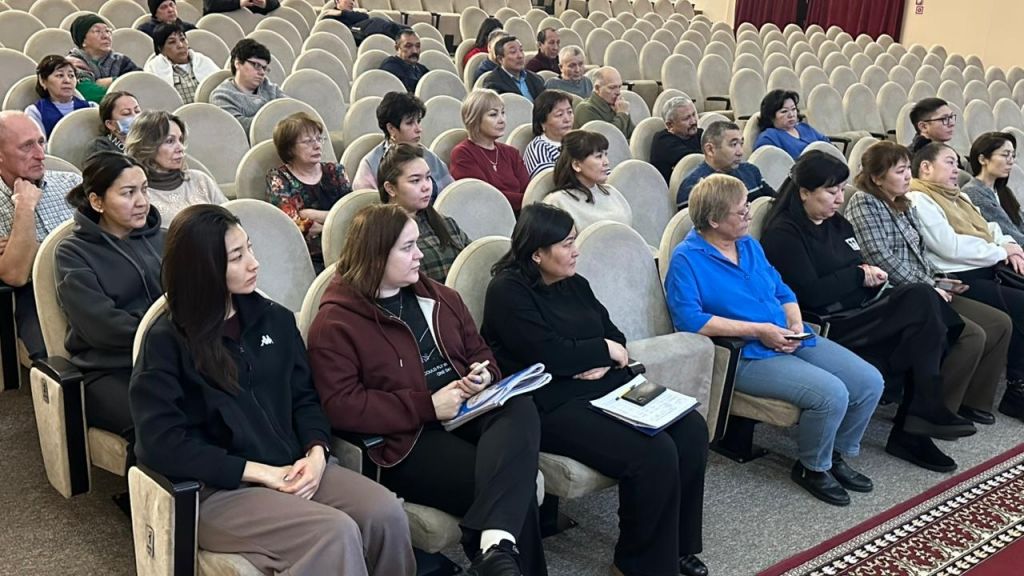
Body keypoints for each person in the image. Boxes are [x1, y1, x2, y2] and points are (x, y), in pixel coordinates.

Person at [130, 204, 415, 576]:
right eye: (237, 257)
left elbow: (306, 398)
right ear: (202, 267)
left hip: (292, 466)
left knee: (385, 513)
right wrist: (259, 472)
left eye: (249, 248)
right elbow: (160, 443)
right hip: (218, 489)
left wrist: (316, 452)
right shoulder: (166, 342)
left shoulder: (275, 319)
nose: (254, 263)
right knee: (334, 533)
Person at [307, 203, 547, 576]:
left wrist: (483, 374)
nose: (420, 254)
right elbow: (341, 406)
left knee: (519, 406)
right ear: (376, 254)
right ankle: (497, 551)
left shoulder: (440, 297)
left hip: (467, 408)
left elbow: (480, 352)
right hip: (407, 438)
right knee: (511, 483)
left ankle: (494, 548)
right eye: (408, 247)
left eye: (417, 243)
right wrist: (428, 406)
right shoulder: (335, 323)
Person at [482, 203, 709, 576]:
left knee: (691, 430)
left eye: (574, 241)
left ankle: (677, 547)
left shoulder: (575, 283)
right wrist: (602, 350)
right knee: (653, 452)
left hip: (605, 384)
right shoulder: (507, 291)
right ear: (537, 253)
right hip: (551, 402)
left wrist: (603, 357)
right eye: (567, 244)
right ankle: (638, 564)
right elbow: (549, 354)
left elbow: (616, 336)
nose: (576, 251)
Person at [665, 174, 884, 505]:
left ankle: (834, 453)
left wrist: (794, 322)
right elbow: (691, 321)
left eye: (747, 207)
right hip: (745, 353)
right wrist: (759, 330)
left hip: (788, 334)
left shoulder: (748, 245)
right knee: (832, 394)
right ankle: (813, 467)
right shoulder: (687, 258)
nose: (749, 215)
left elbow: (782, 290)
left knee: (869, 382)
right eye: (741, 211)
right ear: (714, 220)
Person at [760, 151, 981, 472]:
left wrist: (864, 276)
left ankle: (915, 424)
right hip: (829, 322)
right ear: (804, 192)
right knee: (923, 304)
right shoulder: (784, 233)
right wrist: (857, 276)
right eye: (831, 191)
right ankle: (917, 421)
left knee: (926, 323)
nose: (840, 199)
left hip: (862, 307)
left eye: (841, 189)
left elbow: (856, 267)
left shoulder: (837, 223)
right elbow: (809, 294)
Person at [845, 141, 1012, 435]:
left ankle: (973, 402)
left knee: (1000, 323)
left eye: (906, 170)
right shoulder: (865, 202)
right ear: (877, 177)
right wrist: (930, 285)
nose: (907, 177)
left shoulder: (903, 203)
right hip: (895, 293)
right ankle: (936, 411)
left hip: (925, 285)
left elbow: (921, 255)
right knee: (971, 334)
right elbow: (881, 257)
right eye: (899, 171)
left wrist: (940, 279)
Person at [907, 142, 1024, 422]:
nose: (956, 169)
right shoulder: (919, 198)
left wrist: (1010, 246)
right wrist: (1000, 251)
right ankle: (1016, 389)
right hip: (959, 277)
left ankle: (990, 395)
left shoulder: (958, 197)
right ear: (926, 167)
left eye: (957, 164)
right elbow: (949, 247)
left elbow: (990, 228)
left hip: (987, 268)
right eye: (949, 162)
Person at [56, 152, 163, 447]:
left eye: (144, 189)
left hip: (168, 358)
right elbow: (102, 326)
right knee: (157, 425)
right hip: (108, 369)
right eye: (128, 193)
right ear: (97, 201)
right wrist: (170, 334)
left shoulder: (164, 238)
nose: (142, 201)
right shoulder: (73, 253)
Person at [0, 111, 80, 360]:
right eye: (27, 146)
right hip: (31, 295)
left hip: (88, 277)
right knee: (59, 360)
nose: (40, 154)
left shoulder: (71, 182)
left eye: (41, 142)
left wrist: (27, 248)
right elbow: (16, 274)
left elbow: (102, 239)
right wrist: (24, 206)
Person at [267, 112, 353, 271]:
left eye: (319, 139)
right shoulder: (280, 178)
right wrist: (337, 222)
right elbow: (295, 224)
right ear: (289, 148)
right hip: (308, 258)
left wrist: (311, 214)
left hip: (348, 247)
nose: (317, 145)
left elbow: (353, 214)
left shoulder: (335, 171)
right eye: (308, 141)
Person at [378, 144, 470, 287]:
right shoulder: (381, 234)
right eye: (415, 180)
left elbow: (471, 262)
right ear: (390, 188)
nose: (426, 186)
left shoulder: (446, 223)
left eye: (428, 177)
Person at [125, 110, 226, 226]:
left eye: (180, 140)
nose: (180, 148)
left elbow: (231, 223)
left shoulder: (200, 180)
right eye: (170, 141)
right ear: (147, 146)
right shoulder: (138, 195)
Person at [353, 91, 453, 197]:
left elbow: (449, 195)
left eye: (418, 121)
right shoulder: (370, 164)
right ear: (391, 128)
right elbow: (367, 203)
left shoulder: (430, 157)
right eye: (409, 123)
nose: (419, 129)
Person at [450, 89, 530, 212]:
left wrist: (528, 200)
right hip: (489, 216)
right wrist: (526, 201)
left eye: (503, 113)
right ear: (474, 119)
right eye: (493, 114)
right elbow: (485, 196)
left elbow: (529, 191)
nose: (502, 120)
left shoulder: (511, 153)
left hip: (522, 213)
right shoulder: (462, 153)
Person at [542, 130, 631, 233]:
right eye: (599, 156)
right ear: (576, 165)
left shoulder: (612, 192)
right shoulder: (557, 202)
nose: (606, 162)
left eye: (605, 155)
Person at [676, 120, 775, 209]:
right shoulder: (693, 187)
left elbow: (776, 203)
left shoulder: (751, 171)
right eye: (734, 144)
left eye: (741, 144)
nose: (740, 152)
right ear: (710, 150)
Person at [211, 38, 286, 134]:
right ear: (238, 63)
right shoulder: (221, 96)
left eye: (264, 68)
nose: (262, 72)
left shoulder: (271, 88)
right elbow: (240, 129)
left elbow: (292, 110)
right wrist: (279, 116)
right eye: (257, 65)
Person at [963, 132, 1024, 245]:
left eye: (1013, 155)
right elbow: (1008, 232)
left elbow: (1020, 223)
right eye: (1005, 155)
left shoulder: (1003, 191)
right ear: (982, 159)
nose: (1011, 161)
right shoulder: (973, 192)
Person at [67, 14, 140, 103]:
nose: (105, 36)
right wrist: (119, 83)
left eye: (107, 31)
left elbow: (140, 83)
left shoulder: (120, 60)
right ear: (83, 40)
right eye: (97, 31)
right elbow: (89, 93)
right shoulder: (72, 64)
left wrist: (110, 81)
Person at [144, 23, 221, 105]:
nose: (180, 45)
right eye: (172, 42)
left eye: (183, 39)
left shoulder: (202, 61)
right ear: (161, 49)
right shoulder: (154, 69)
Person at [24, 55, 96, 137]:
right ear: (43, 81)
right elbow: (38, 143)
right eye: (60, 75)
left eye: (71, 76)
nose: (67, 81)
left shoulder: (91, 107)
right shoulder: (35, 112)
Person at [752, 90, 830, 159]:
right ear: (771, 116)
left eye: (793, 109)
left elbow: (827, 144)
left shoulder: (804, 127)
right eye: (784, 111)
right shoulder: (769, 138)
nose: (791, 115)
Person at [650, 95, 702, 184]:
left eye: (694, 115)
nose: (693, 121)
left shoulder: (698, 133)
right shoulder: (663, 141)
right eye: (686, 118)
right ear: (670, 125)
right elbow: (694, 160)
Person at [523, 89, 574, 177]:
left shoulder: (579, 141)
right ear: (542, 122)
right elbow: (550, 181)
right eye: (559, 114)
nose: (567, 119)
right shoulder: (539, 149)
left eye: (569, 112)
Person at [573, 67, 634, 139]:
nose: (618, 92)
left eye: (619, 87)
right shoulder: (585, 109)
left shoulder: (618, 105)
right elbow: (608, 138)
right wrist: (622, 114)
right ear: (597, 88)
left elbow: (633, 135)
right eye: (612, 87)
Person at [482, 36, 546, 102]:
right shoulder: (493, 82)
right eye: (513, 52)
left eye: (521, 50)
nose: (520, 56)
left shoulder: (536, 79)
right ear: (500, 59)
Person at [908, 97, 963, 168]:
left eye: (951, 117)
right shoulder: (911, 158)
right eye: (944, 119)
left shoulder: (948, 152)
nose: (952, 123)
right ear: (923, 126)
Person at [320, 0, 407, 43]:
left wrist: (342, 13)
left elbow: (365, 16)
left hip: (362, 32)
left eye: (353, 0)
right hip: (354, 36)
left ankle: (407, 32)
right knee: (378, 22)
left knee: (389, 24)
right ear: (337, 1)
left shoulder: (351, 14)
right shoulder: (330, 17)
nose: (352, 3)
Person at [86, 90, 141, 156]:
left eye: (137, 111)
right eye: (126, 113)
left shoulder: (147, 140)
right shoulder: (100, 146)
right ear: (110, 124)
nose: (135, 116)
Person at [203, 0, 279, 15]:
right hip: (218, 26)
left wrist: (265, 3)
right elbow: (210, 5)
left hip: (248, 29)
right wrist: (239, 3)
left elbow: (276, 4)